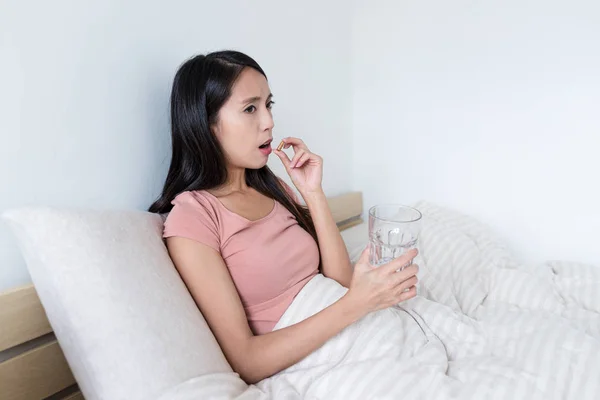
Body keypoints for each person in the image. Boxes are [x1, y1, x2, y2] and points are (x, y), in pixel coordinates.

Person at [149, 50, 419, 384]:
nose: (268, 122)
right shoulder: (193, 217)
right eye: (250, 108)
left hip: (362, 327)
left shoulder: (271, 187)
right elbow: (247, 361)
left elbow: (340, 283)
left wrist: (313, 193)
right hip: (324, 359)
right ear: (205, 124)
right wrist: (356, 305)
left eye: (268, 105)